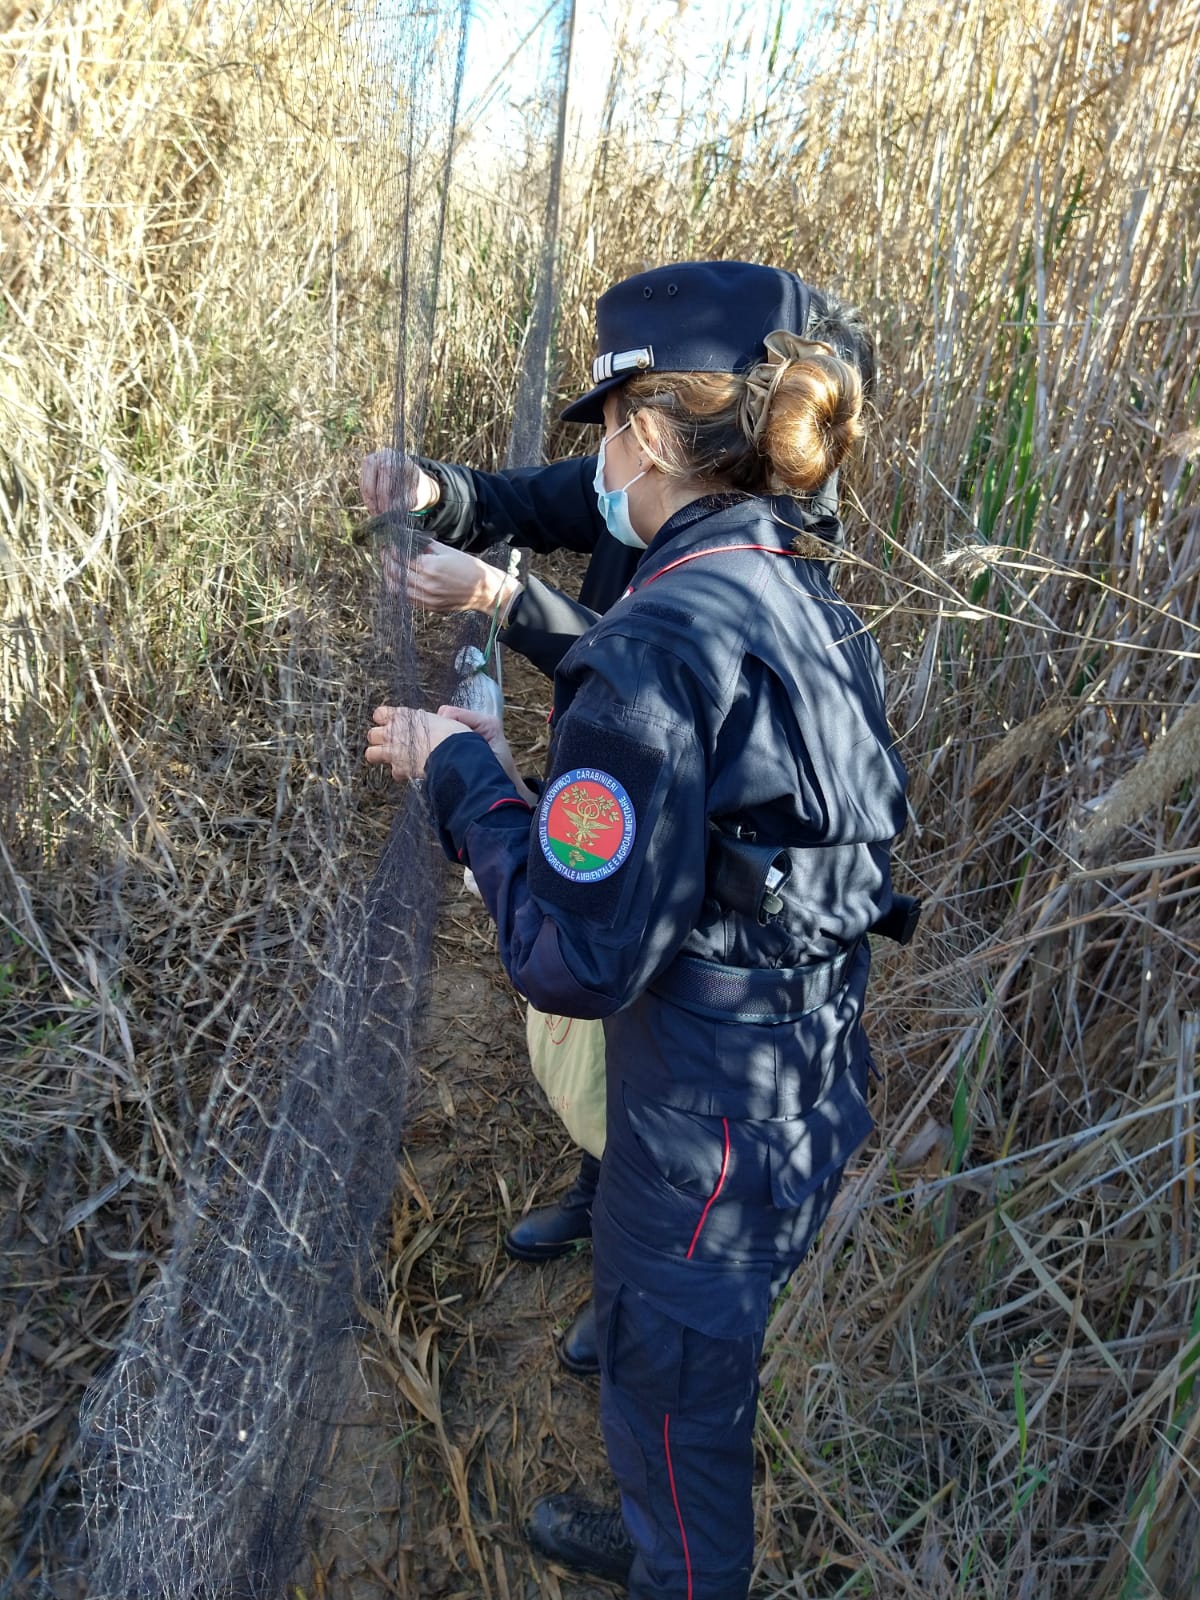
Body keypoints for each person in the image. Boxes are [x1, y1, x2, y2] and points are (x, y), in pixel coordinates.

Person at [365, 259, 909, 1600]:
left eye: (607, 428)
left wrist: (464, 772)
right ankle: (664, 1517)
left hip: (701, 1133)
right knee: (692, 1372)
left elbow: (575, 956)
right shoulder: (806, 602)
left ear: (654, 435)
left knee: (675, 1400)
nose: (600, 462)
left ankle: (678, 1557)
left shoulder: (654, 644)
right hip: (808, 1078)